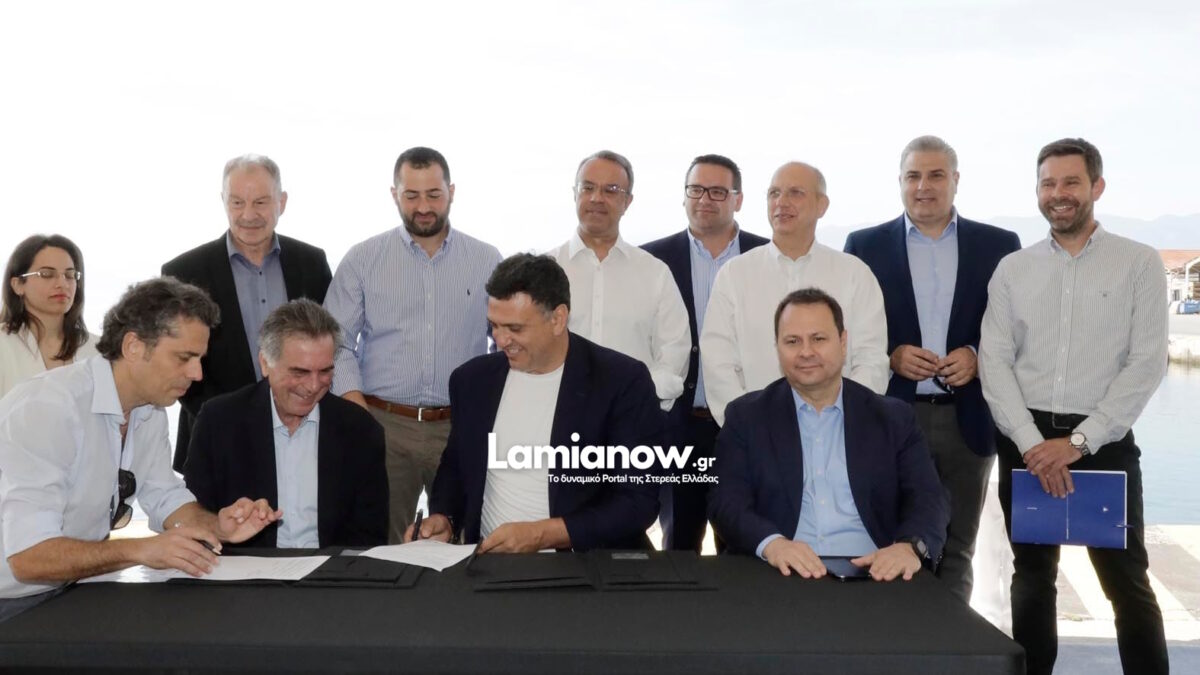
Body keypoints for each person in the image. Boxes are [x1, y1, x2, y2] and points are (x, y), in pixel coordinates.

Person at [979, 138, 1168, 675]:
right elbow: (995, 361)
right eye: (1048, 183)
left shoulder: (1139, 263)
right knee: (1032, 579)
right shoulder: (1013, 269)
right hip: (1028, 442)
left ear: (1096, 187)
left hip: (1104, 441)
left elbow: (1146, 363)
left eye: (1070, 182)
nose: (1057, 194)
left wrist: (1079, 442)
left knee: (1127, 582)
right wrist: (1032, 444)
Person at [0, 277, 280, 621]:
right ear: (133, 346)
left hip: (70, 591)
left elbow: (164, 497)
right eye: (184, 357)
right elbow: (28, 557)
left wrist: (218, 526)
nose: (197, 374)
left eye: (200, 359)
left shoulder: (149, 410)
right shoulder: (48, 407)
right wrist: (142, 550)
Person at [843, 135, 1022, 604]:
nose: (924, 186)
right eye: (913, 176)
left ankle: (954, 641)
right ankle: (895, 639)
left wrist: (978, 355)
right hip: (892, 418)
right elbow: (845, 328)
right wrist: (891, 355)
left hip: (969, 420)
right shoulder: (863, 246)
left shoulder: (1000, 246)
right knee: (888, 543)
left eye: (936, 175)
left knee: (957, 548)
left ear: (956, 180)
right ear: (900, 182)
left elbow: (1019, 324)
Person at [412, 254, 663, 552]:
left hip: (585, 564)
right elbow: (456, 467)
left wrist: (543, 535)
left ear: (558, 319)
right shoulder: (471, 381)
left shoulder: (621, 382)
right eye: (494, 325)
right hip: (488, 562)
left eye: (515, 328)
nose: (500, 340)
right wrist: (446, 518)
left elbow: (638, 501)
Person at [325, 146, 502, 543]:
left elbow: (506, 342)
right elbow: (335, 342)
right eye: (411, 196)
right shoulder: (363, 259)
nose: (423, 207)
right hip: (383, 424)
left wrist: (490, 408)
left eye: (434, 195)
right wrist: (357, 409)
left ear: (451, 192)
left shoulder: (487, 260)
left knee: (462, 539)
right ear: (395, 195)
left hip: (460, 426)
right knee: (381, 543)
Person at [708, 288, 948, 580]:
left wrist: (909, 547)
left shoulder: (893, 418)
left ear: (843, 342)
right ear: (777, 347)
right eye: (792, 341)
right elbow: (725, 503)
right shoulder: (746, 417)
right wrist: (773, 544)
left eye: (818, 339)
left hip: (875, 573)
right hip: (777, 573)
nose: (806, 352)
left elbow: (928, 497)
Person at [163, 154, 333, 471]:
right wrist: (233, 421)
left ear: (281, 202)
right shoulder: (184, 271)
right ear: (224, 201)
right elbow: (176, 360)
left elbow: (328, 346)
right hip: (215, 439)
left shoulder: (311, 262)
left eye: (261, 202)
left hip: (302, 435)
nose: (248, 214)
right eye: (237, 202)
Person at [641, 154, 769, 552]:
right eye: (696, 189)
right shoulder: (650, 260)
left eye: (717, 191)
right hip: (679, 424)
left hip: (748, 425)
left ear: (738, 199)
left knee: (745, 542)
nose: (704, 200)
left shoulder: (768, 257)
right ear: (683, 196)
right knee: (679, 544)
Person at [184, 299, 387, 548]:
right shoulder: (219, 420)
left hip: (332, 567)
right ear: (265, 364)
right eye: (300, 372)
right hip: (246, 567)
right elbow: (193, 514)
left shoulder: (360, 429)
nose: (313, 386)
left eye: (325, 371)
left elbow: (370, 535)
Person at [701, 162, 888, 426]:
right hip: (757, 431)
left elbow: (871, 360)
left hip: (840, 428)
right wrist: (747, 426)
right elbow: (718, 363)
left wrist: (840, 420)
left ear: (822, 205)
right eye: (774, 193)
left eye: (795, 193)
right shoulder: (734, 274)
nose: (781, 202)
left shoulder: (854, 274)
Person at [548, 150, 691, 413]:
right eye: (588, 187)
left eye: (611, 190)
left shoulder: (655, 273)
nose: (596, 198)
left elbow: (674, 358)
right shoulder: (545, 269)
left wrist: (627, 394)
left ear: (628, 201)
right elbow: (528, 345)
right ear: (574, 194)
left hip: (632, 417)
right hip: (554, 413)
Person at [1, 234, 97, 398]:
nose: (62, 284)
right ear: (18, 285)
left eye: (70, 275)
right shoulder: (4, 345)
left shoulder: (99, 350)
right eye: (46, 274)